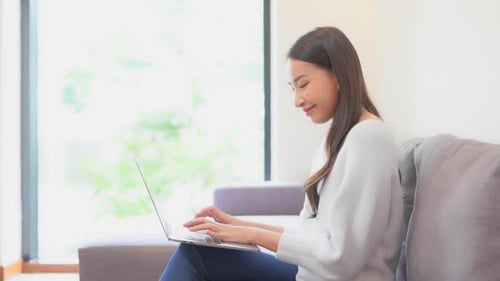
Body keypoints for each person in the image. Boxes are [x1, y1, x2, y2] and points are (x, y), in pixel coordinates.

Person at [158, 26, 404, 281]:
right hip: (312, 275)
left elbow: (341, 258)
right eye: (293, 88)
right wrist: (236, 224)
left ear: (339, 75)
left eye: (304, 84)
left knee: (197, 258)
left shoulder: (370, 138)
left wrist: (252, 235)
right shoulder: (336, 141)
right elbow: (311, 235)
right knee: (197, 253)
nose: (297, 100)